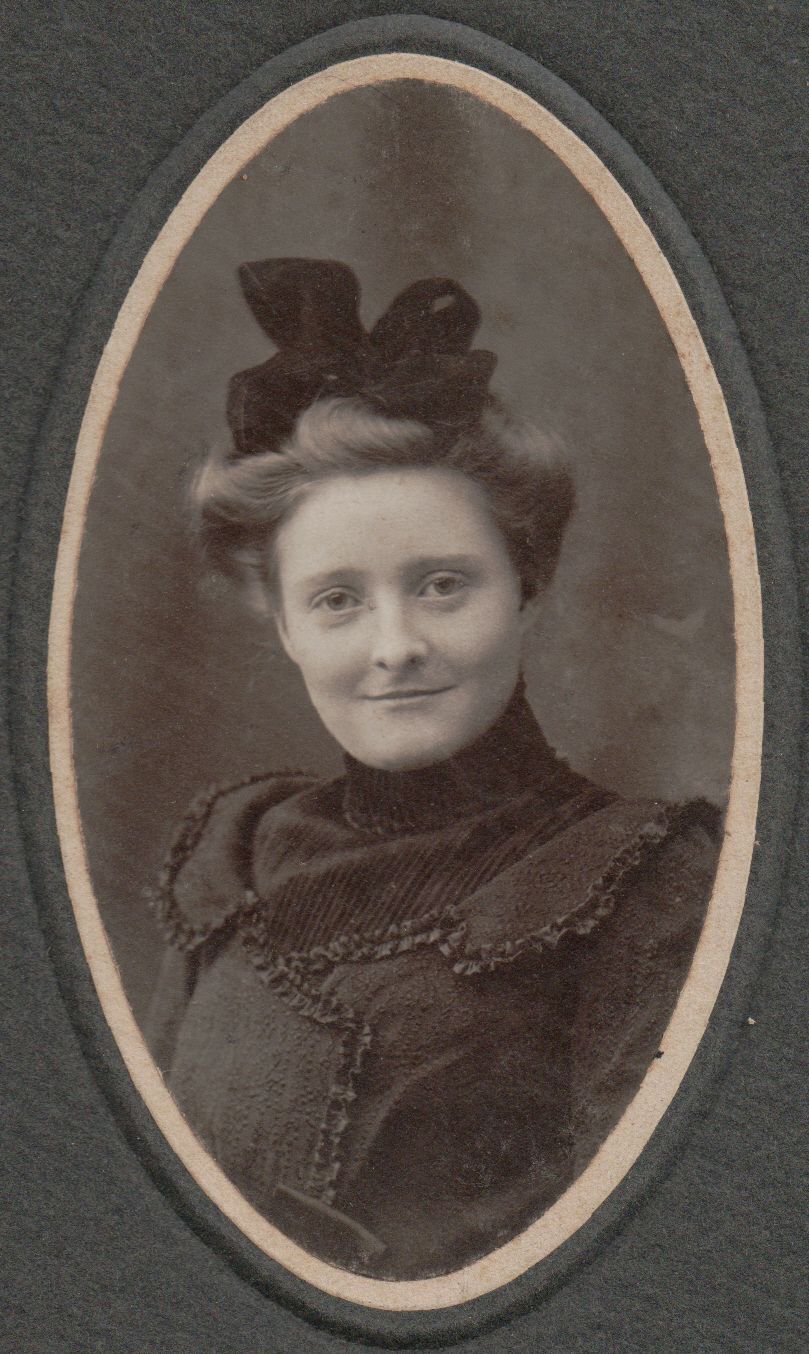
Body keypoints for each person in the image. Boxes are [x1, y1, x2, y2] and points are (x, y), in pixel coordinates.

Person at [146, 258, 721, 1280]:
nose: (395, 645)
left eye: (443, 584)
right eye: (336, 600)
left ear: (527, 587)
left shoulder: (640, 879)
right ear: (282, 626)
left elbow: (652, 1276)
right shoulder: (234, 859)